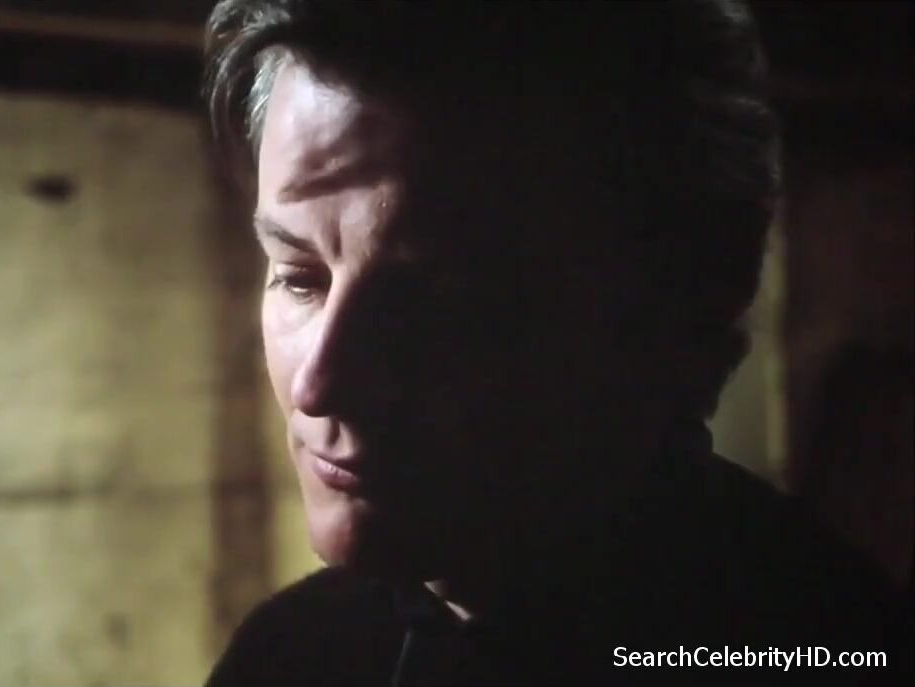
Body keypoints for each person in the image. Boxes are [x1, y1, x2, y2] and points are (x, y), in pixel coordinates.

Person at [199, 1, 912, 684]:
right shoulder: (292, 655)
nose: (319, 383)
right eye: (299, 278)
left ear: (673, 313)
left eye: (435, 304)